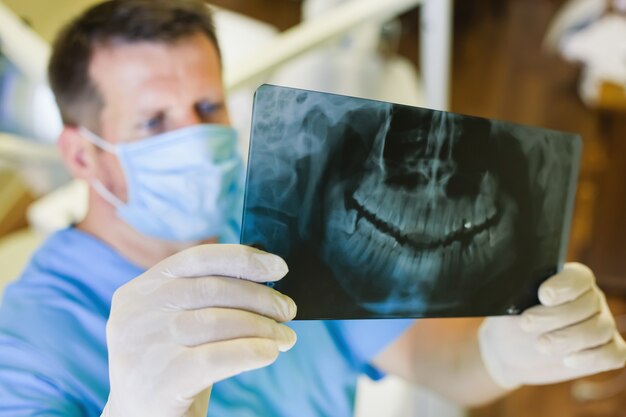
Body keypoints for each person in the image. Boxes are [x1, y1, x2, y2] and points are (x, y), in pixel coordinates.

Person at [0, 1, 624, 416]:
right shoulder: (27, 337)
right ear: (83, 156)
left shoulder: (290, 230)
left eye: (208, 108)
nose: (195, 136)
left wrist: (508, 349)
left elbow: (445, 366)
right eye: (154, 120)